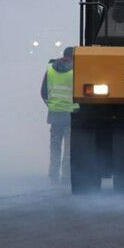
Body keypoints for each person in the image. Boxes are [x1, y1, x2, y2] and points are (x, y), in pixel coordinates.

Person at [41, 46, 79, 185]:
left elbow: (43, 93)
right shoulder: (77, 71)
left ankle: (53, 176)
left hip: (55, 115)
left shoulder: (50, 69)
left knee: (55, 148)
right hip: (71, 116)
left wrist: (52, 106)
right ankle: (66, 178)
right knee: (69, 150)